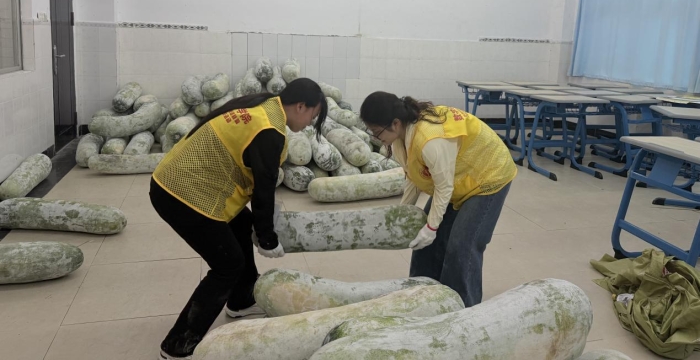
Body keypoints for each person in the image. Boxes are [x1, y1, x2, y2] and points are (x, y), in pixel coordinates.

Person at [150, 78, 327, 360]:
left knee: (242, 225)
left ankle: (241, 300)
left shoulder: (264, 106)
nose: (309, 124)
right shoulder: (269, 130)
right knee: (227, 265)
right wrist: (267, 239)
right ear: (300, 106)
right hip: (183, 194)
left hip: (178, 181)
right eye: (312, 116)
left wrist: (259, 225)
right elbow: (263, 189)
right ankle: (178, 344)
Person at [360, 92, 516, 308]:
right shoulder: (400, 140)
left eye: (377, 132)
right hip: (459, 177)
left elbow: (443, 187)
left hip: (488, 174)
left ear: (395, 123)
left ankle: (462, 308)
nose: (377, 138)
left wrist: (432, 227)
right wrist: (401, 213)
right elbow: (413, 176)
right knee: (426, 244)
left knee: (461, 245)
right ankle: (423, 298)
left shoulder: (429, 140)